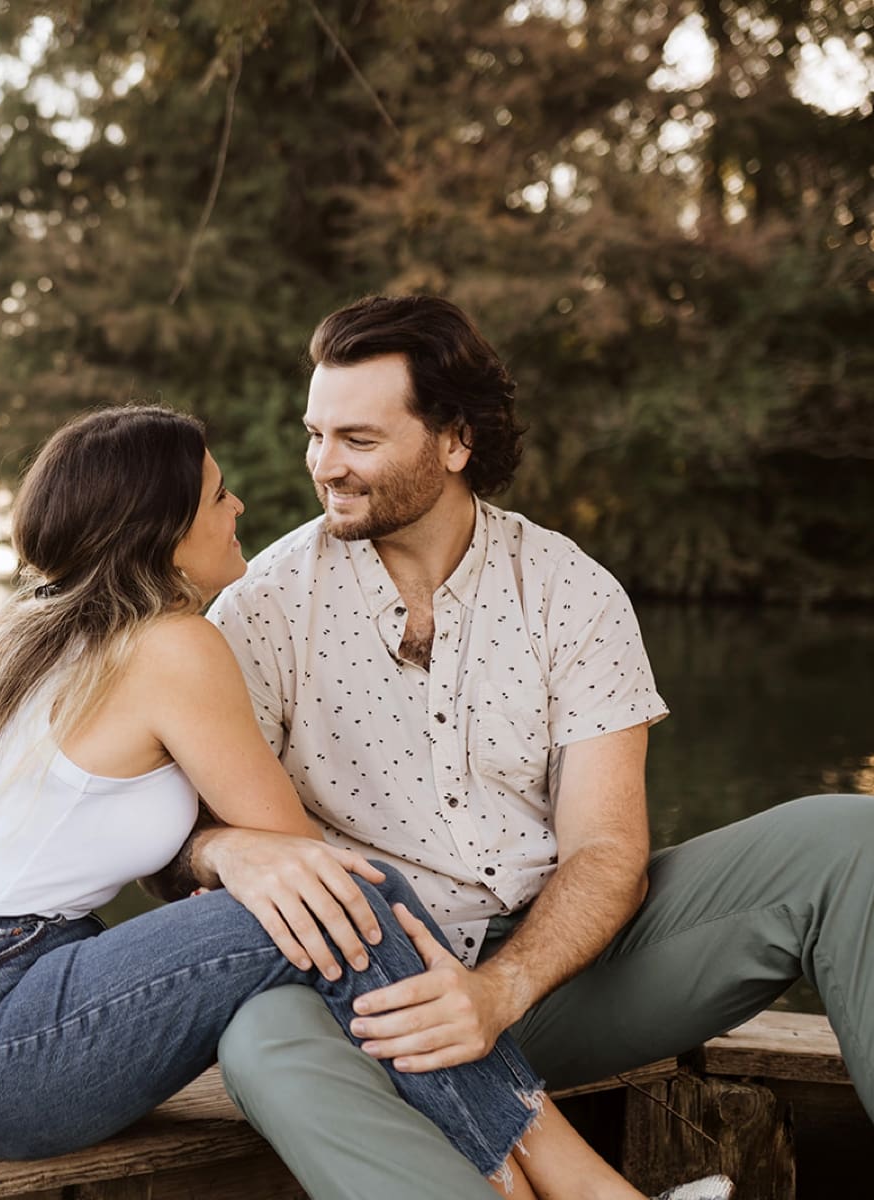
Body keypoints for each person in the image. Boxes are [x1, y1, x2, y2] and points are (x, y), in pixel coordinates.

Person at [0, 405, 726, 1198]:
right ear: (167, 531)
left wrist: (224, 851)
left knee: (334, 896)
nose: (240, 504)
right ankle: (571, 1183)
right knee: (343, 891)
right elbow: (305, 861)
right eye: (218, 494)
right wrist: (251, 851)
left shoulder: (57, 638)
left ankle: (520, 1182)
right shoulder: (173, 647)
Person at [155, 294, 871, 1200]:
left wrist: (499, 991)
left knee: (850, 845)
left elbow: (608, 851)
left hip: (561, 974)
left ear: (454, 441)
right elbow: (177, 846)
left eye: (359, 441)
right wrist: (221, 846)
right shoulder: (261, 611)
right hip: (371, 1004)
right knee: (258, 1038)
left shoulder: (575, 593)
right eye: (315, 434)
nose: (323, 466)